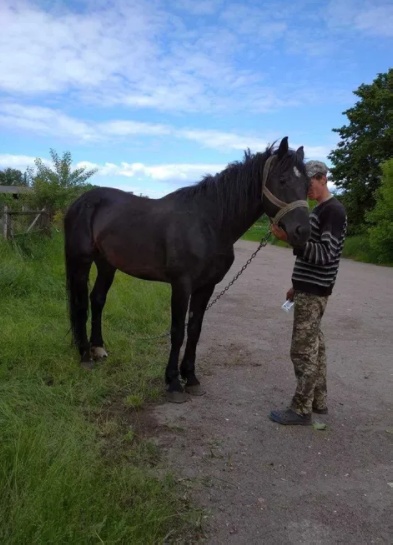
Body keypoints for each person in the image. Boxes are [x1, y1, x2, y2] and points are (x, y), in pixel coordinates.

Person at [269, 160, 347, 425]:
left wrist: (288, 239)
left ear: (323, 178)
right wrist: (295, 285)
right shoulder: (318, 211)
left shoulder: (333, 211)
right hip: (307, 288)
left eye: (309, 183)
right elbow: (310, 254)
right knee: (317, 347)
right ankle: (318, 401)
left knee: (302, 351)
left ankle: (300, 410)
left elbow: (326, 254)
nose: (306, 189)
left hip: (314, 292)